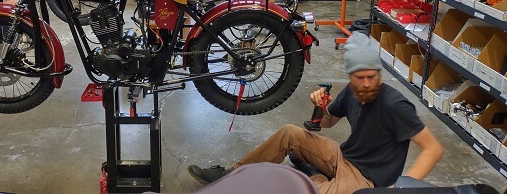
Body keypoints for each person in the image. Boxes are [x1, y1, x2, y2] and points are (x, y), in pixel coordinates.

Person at [187, 32, 443, 193]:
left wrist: (400, 188)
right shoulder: (352, 91)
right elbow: (328, 122)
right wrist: (319, 107)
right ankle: (234, 173)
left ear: (379, 73)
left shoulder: (394, 104)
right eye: (359, 77)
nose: (366, 83)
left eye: (371, 76)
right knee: (290, 133)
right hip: (343, 156)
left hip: (367, 180)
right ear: (351, 76)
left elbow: (432, 149)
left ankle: (315, 177)